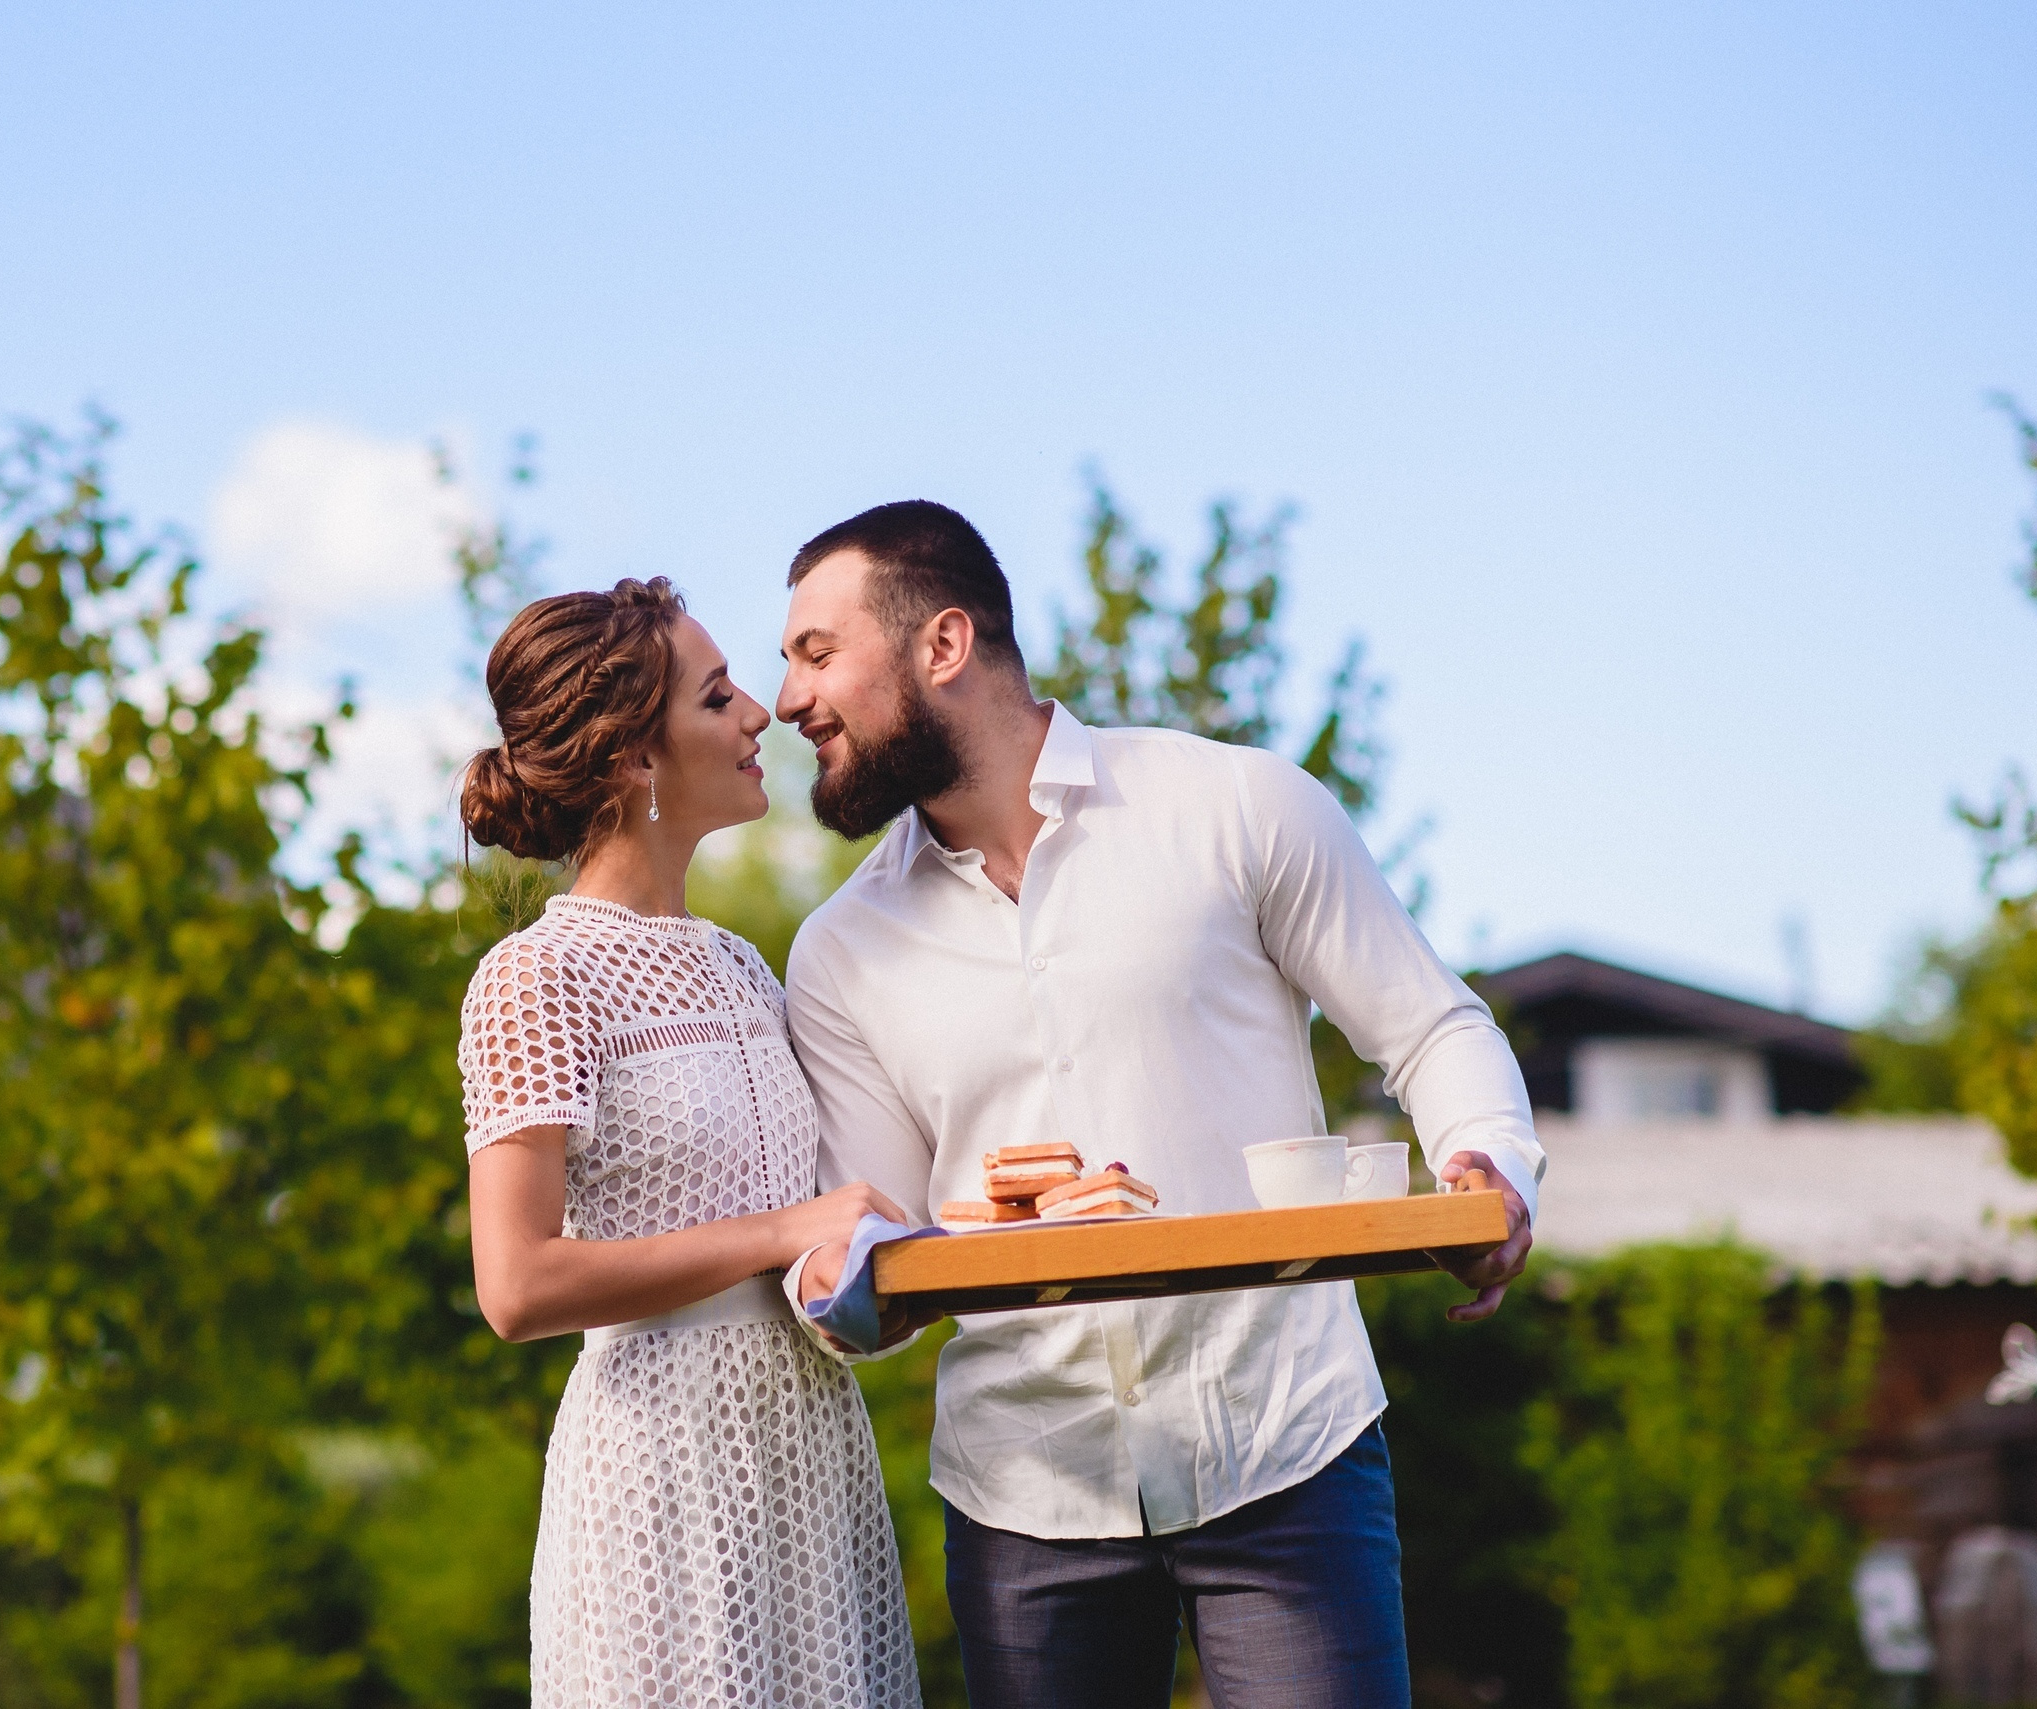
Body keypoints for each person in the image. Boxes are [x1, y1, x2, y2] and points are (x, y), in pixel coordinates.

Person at [770, 503, 1545, 1709]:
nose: (785, 699)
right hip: (1028, 1495)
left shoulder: (1236, 807)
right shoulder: (838, 954)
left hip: (1288, 1447)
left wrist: (1489, 1164)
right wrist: (836, 1288)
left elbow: (1431, 1026)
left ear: (942, 642)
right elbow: (866, 1240)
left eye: (816, 652)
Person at [455, 576, 925, 1709]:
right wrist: (778, 1232)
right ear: (631, 759)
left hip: (807, 1459)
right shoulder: (536, 977)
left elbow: (817, 1228)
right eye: (717, 697)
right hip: (659, 1474)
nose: (760, 711)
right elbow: (516, 1284)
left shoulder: (742, 968)